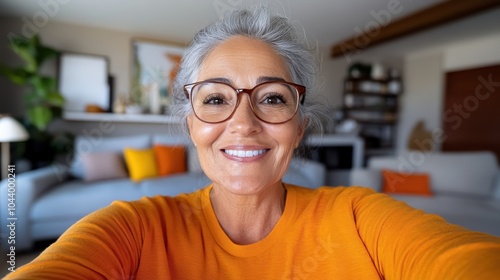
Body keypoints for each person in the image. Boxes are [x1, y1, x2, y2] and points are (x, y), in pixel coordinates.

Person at [5, 6, 500, 280]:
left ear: (299, 126)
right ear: (190, 125)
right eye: (216, 99)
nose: (244, 123)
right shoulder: (133, 229)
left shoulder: (360, 217)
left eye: (272, 98)